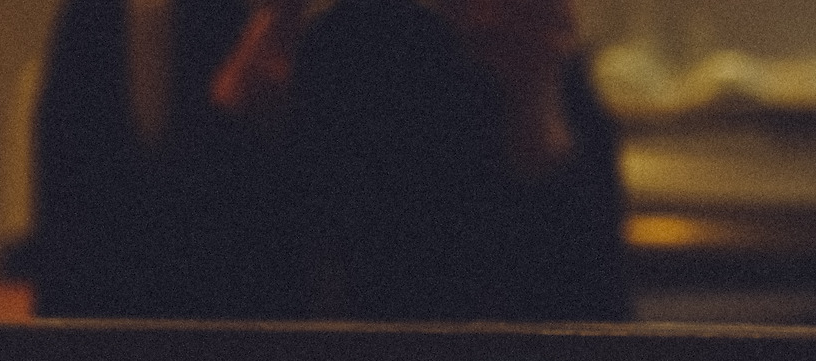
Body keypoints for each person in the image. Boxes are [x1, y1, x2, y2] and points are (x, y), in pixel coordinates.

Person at [31, 0, 629, 321]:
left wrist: (534, 115)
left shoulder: (504, 24)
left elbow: (597, 331)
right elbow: (86, 332)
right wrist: (235, 134)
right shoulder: (136, 29)